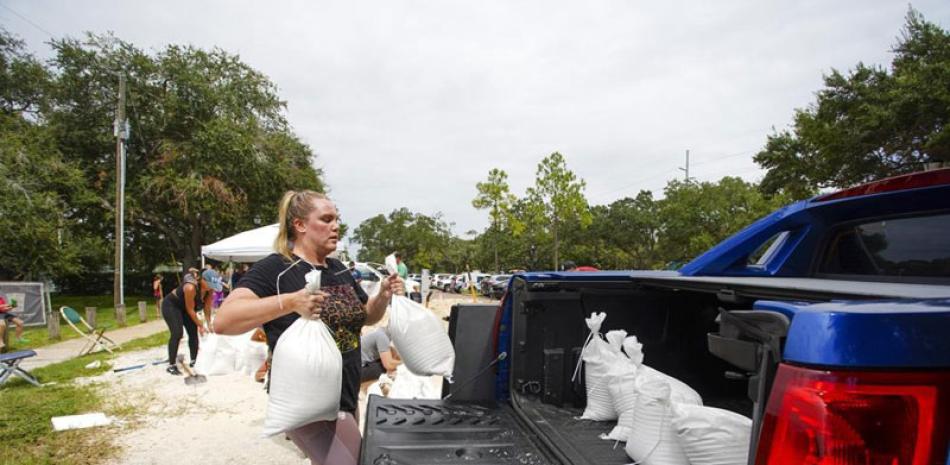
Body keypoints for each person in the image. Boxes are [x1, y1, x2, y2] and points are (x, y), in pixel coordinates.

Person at [213, 190, 404, 465]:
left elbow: (366, 317)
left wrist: (383, 295)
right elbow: (224, 320)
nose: (336, 226)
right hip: (307, 401)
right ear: (299, 225)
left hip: (346, 394)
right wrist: (290, 301)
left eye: (337, 219)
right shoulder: (276, 268)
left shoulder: (338, 268)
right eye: (326, 219)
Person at [161, 267, 207, 375]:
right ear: (201, 280)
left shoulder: (209, 290)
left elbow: (207, 309)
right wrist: (201, 325)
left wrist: (207, 324)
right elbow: (191, 310)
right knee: (177, 333)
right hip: (172, 306)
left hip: (185, 308)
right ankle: (171, 365)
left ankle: (194, 361)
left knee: (193, 331)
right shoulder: (190, 287)